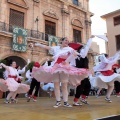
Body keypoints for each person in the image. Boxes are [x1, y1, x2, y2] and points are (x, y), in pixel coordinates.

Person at [29, 36, 94, 108]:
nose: (67, 42)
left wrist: (67, 60)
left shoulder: (69, 49)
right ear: (62, 41)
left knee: (64, 85)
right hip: (55, 67)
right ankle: (58, 102)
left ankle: (65, 102)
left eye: (68, 41)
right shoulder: (56, 48)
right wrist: (37, 44)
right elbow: (46, 47)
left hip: (64, 67)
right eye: (65, 40)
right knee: (56, 85)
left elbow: (77, 54)